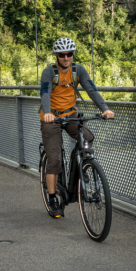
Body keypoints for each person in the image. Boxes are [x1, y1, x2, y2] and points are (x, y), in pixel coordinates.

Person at [40, 37, 114, 218]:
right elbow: (45, 92)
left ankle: (82, 166)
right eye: (62, 55)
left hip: (71, 114)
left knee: (87, 137)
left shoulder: (78, 70)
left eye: (69, 54)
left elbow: (91, 89)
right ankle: (52, 199)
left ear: (73, 54)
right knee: (55, 159)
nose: (66, 58)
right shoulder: (49, 72)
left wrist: (105, 109)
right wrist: (48, 112)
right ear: (56, 55)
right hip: (52, 117)